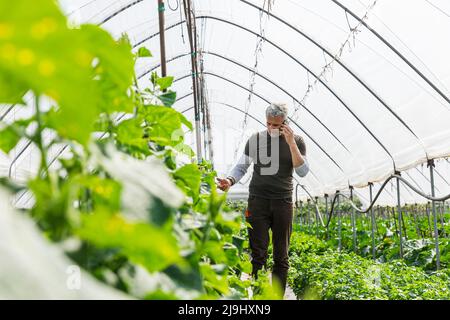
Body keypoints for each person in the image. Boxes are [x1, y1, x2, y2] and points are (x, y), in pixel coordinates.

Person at [217, 103, 309, 297]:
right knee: (258, 255)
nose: (272, 128)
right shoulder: (255, 139)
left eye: (277, 125)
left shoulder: (298, 141)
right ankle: (260, 298)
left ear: (285, 122)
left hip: (283, 202)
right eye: (269, 124)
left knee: (281, 257)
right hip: (258, 202)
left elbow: (303, 171)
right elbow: (241, 167)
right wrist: (229, 180)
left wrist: (291, 142)